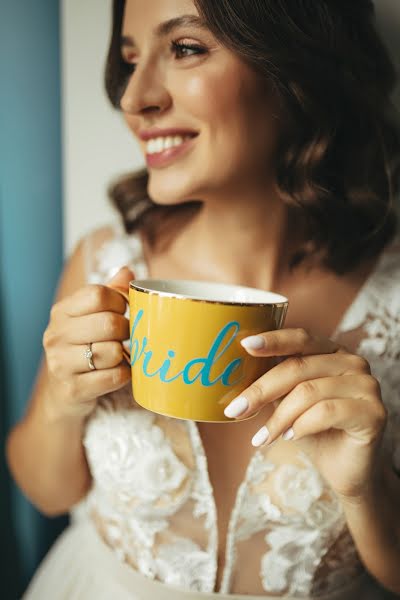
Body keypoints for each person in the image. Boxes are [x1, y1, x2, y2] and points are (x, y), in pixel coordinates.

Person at [6, 0, 400, 598]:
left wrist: (366, 488)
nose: (133, 98)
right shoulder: (105, 263)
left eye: (186, 48)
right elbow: (47, 492)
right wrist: (63, 401)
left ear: (295, 65)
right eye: (129, 60)